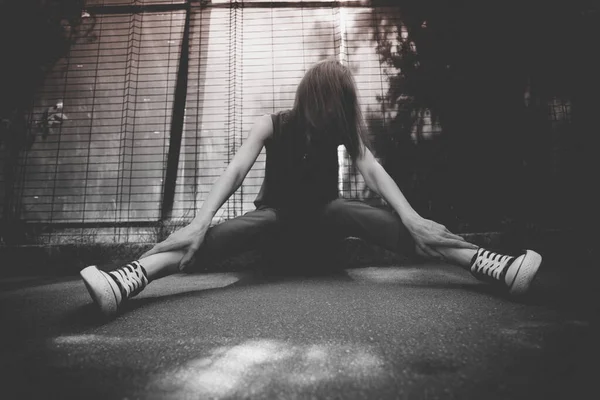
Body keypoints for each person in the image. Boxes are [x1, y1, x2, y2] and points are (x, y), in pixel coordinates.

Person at [80, 59, 542, 318]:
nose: (333, 117)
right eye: (329, 105)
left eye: (341, 109)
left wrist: (413, 218)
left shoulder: (340, 131)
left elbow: (373, 169)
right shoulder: (272, 124)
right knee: (237, 226)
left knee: (352, 211)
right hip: (276, 232)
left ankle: (491, 266)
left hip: (324, 231)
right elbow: (235, 172)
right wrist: (200, 222)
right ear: (312, 100)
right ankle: (126, 281)